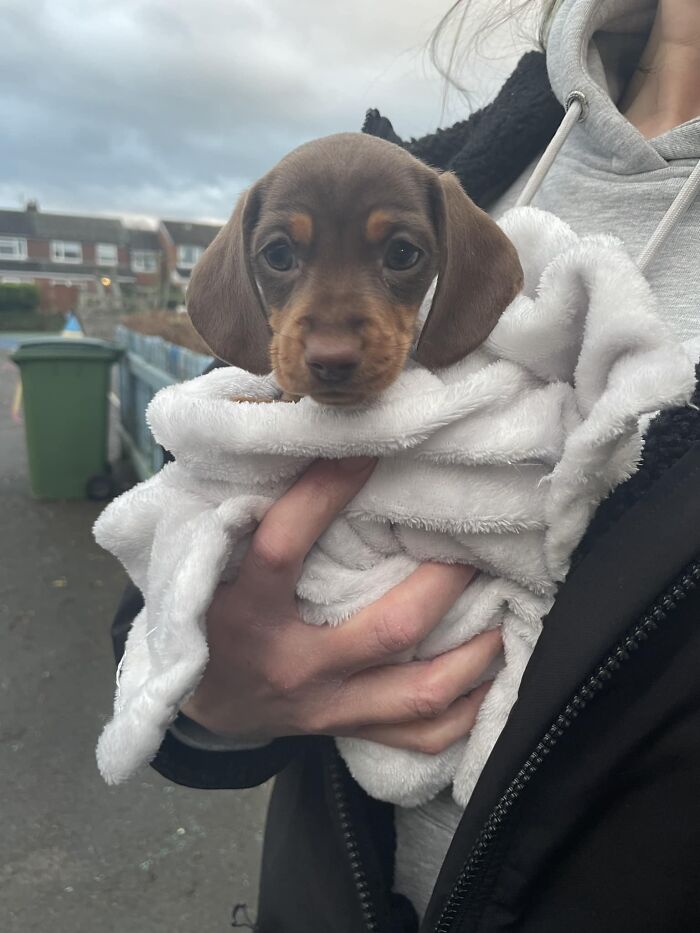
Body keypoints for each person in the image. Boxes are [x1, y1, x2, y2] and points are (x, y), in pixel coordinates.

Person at [110, 1, 700, 929]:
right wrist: (207, 690)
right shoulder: (472, 155)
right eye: (282, 258)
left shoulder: (461, 224)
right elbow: (197, 557)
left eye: (397, 257)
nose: (335, 335)